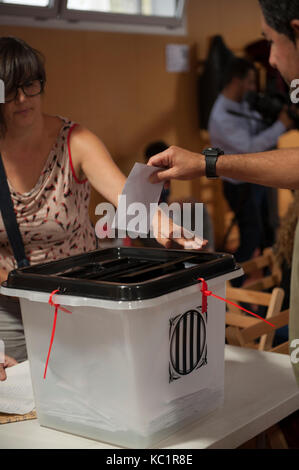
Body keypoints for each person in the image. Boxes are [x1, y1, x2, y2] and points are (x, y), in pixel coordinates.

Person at [0, 37, 202, 381]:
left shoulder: (73, 140)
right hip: (10, 307)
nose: (22, 98)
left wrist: (159, 221)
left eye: (30, 85)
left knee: (87, 387)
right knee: (22, 402)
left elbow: (124, 194)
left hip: (75, 299)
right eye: (10, 89)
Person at [148, 0, 299, 386]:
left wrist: (208, 163)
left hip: (246, 183)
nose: (274, 61)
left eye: (271, 42)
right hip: (244, 190)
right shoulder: (224, 112)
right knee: (253, 239)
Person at [209, 57, 293, 264]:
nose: (254, 88)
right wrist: (281, 125)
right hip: (239, 186)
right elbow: (249, 148)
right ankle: (231, 284)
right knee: (251, 238)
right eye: (251, 82)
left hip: (255, 180)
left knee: (267, 234)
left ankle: (267, 287)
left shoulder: (242, 105)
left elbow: (255, 133)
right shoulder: (221, 115)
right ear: (237, 81)